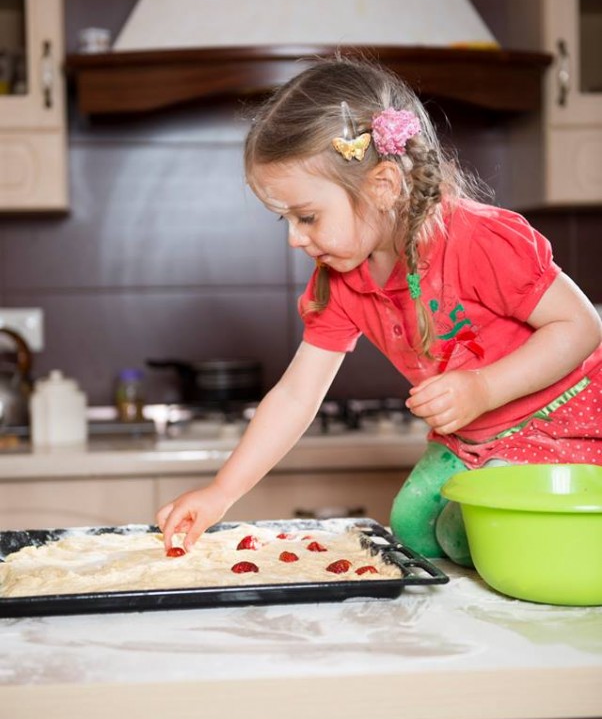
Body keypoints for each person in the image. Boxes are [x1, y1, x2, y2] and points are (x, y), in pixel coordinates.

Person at [157, 56, 602, 565]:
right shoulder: (343, 278)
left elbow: (581, 325)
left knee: (475, 533)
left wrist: (483, 388)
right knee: (413, 528)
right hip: (469, 441)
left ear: (384, 185)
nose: (294, 238)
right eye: (285, 219)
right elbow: (299, 393)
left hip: (557, 428)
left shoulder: (478, 238)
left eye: (307, 216)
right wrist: (221, 491)